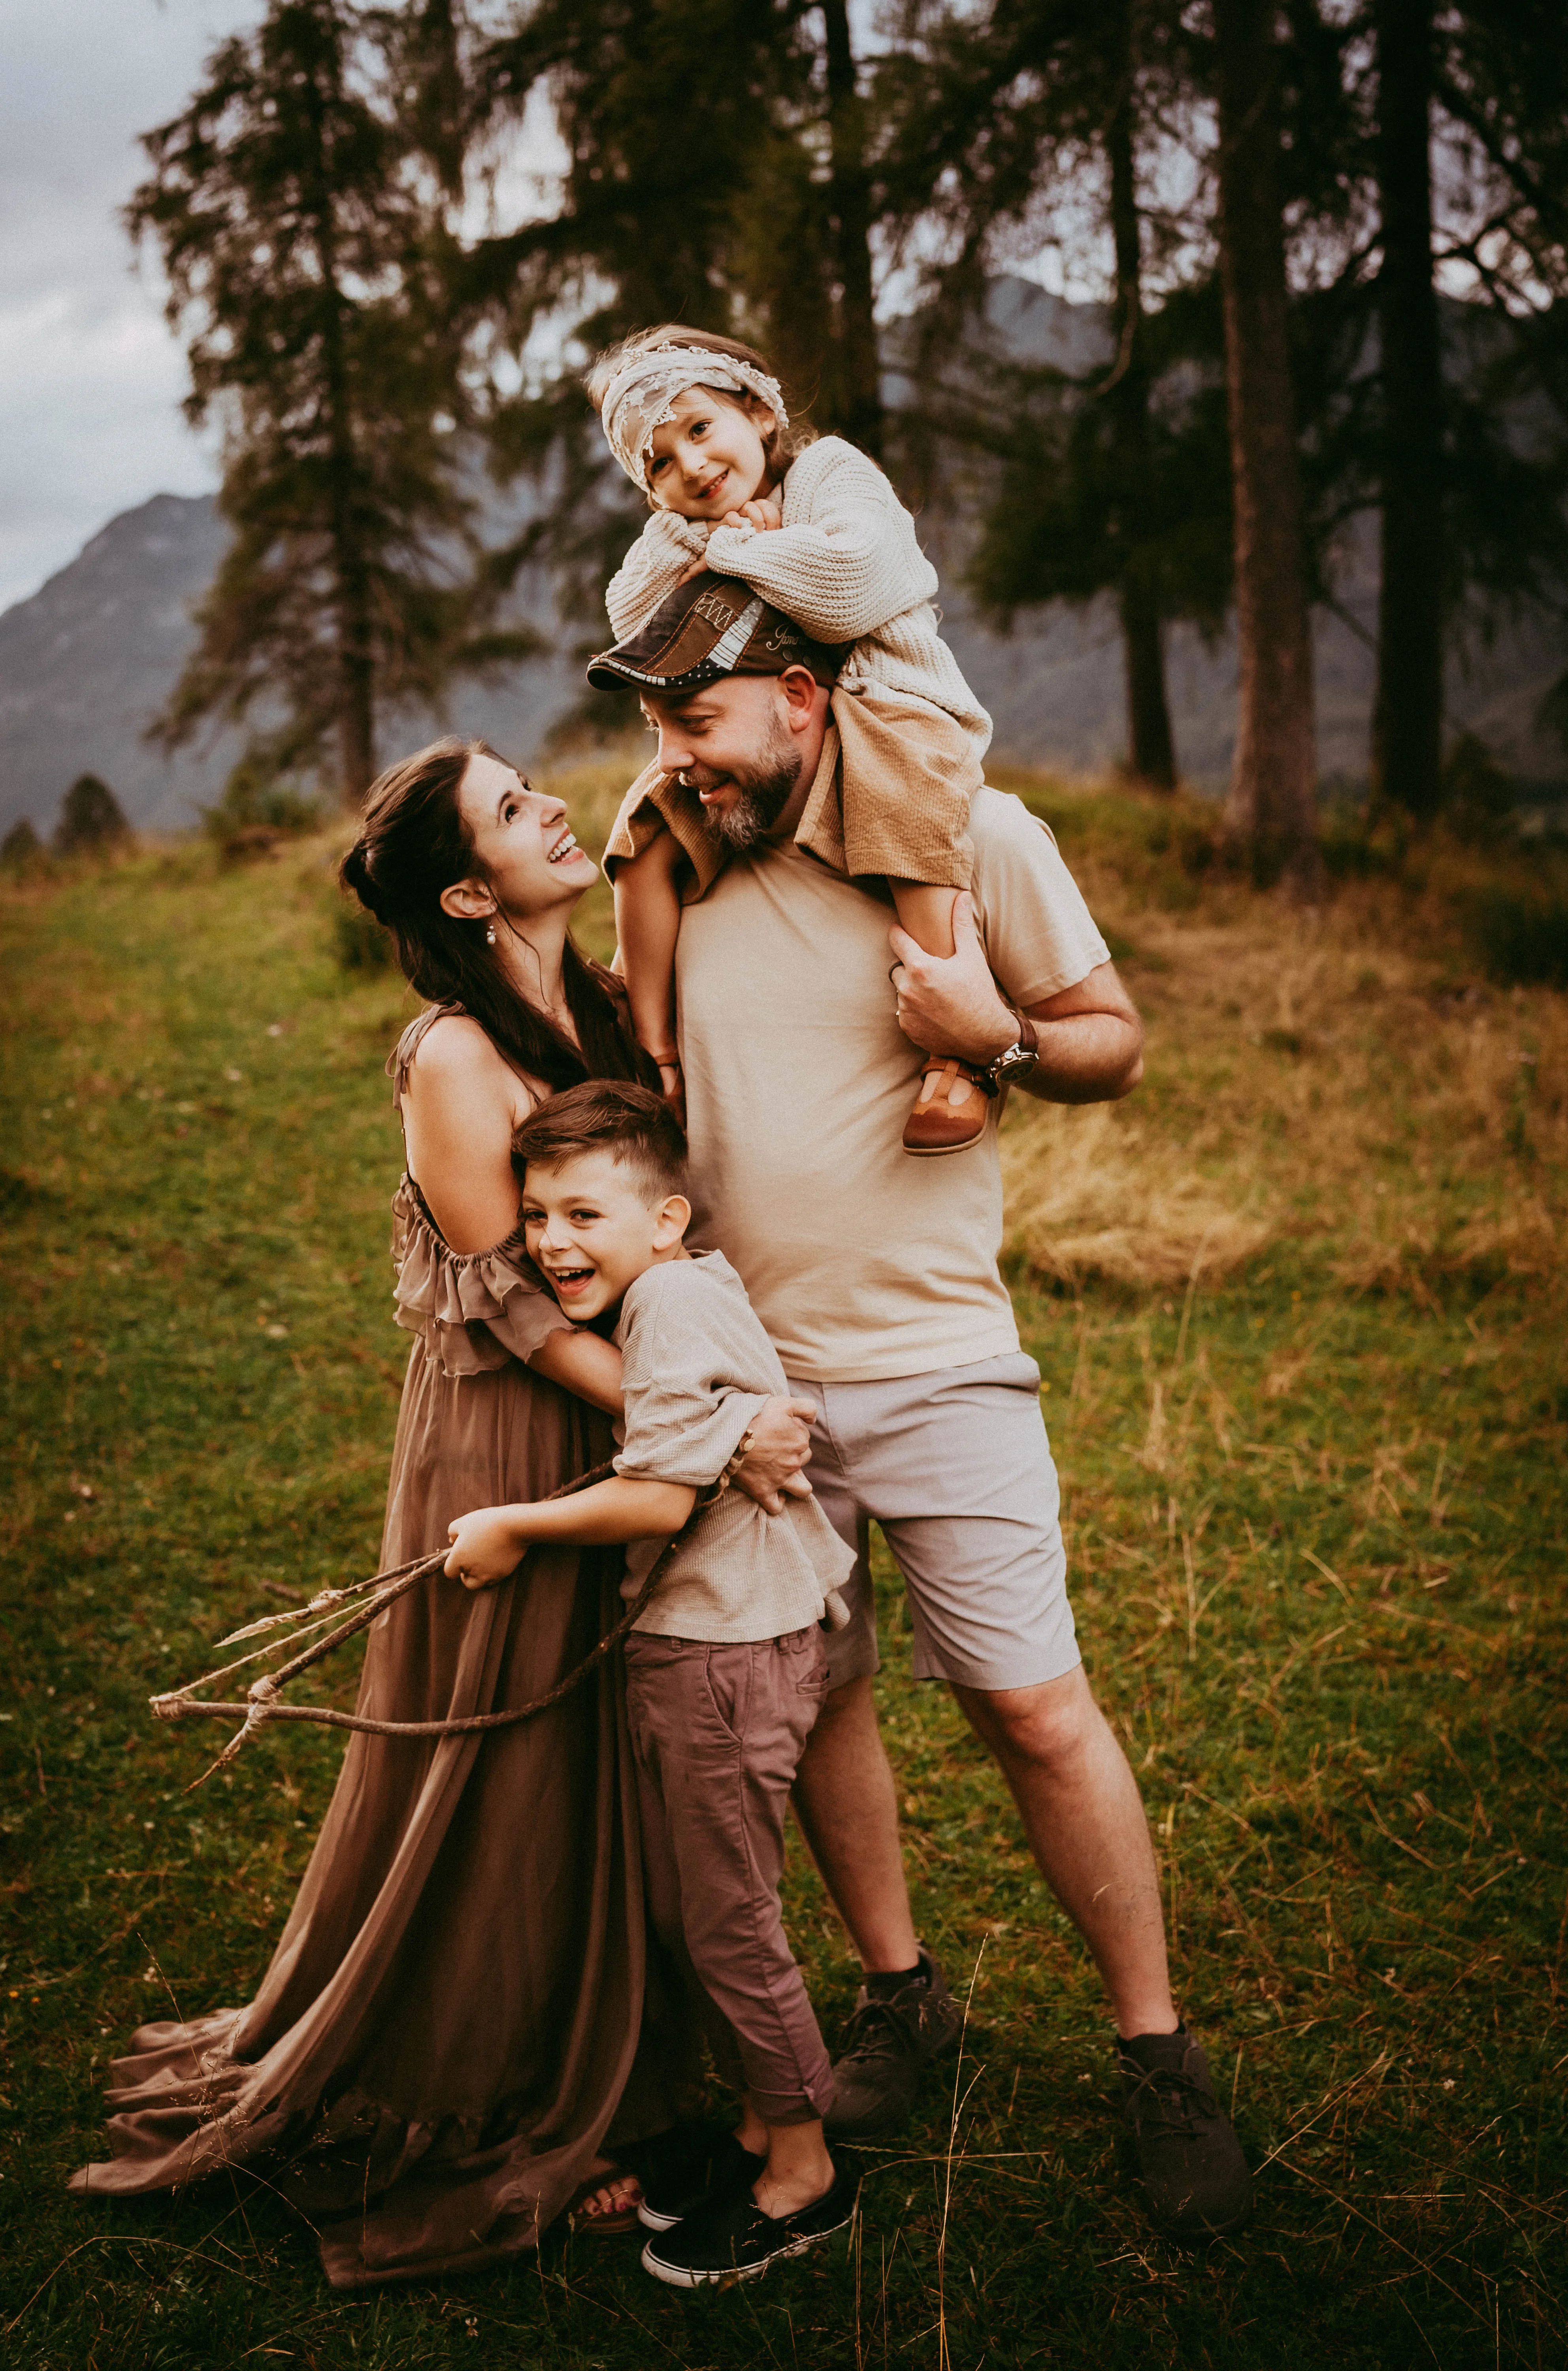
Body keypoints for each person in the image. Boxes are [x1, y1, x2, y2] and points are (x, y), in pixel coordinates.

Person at [69, 736, 814, 2288]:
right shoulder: (452, 1057)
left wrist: (658, 819)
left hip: (633, 1415)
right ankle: (492, 2076)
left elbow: (658, 913)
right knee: (510, 1748)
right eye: (510, 806)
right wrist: (714, 1422)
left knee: (608, 1739)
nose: (547, 801)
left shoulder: (584, 1003)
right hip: (511, 1433)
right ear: (472, 889)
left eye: (533, 778)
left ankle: (605, 2046)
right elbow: (525, 1324)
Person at [587, 587, 1255, 2242]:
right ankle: (899, 1997)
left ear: (802, 699)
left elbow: (1113, 1040)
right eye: (654, 723)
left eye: (698, 719)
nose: (669, 755)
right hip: (754, 1394)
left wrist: (1002, 1039)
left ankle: (1156, 2055)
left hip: (944, 1359)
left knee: (1033, 1710)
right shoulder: (678, 863)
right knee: (816, 1699)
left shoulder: (973, 832)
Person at [447, 1080, 861, 2288]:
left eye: (585, 1213)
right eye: (535, 1216)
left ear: (668, 1220)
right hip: (722, 1644)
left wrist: (514, 1526)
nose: (552, 1243)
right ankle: (760, 2118)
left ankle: (804, 2170)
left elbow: (662, 1497)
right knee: (705, 1909)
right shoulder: (682, 1288)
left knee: (730, 1923)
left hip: (726, 1656)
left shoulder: (671, 1301)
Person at [588, 322, 996, 1156]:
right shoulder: (681, 528)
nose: (691, 468)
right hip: (769, 727)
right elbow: (634, 617)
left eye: (699, 430)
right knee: (648, 827)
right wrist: (733, 546)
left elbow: (847, 587)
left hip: (889, 699)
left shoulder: (830, 473)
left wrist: (735, 551)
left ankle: (954, 1046)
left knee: (901, 798)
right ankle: (647, 1046)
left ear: (760, 413)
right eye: (657, 463)